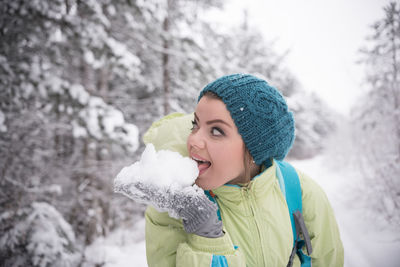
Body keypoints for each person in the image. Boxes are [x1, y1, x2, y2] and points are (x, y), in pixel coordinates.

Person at [142, 74, 344, 266]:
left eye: (216, 131)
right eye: (195, 125)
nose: (193, 139)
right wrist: (207, 238)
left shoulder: (301, 193)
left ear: (255, 147)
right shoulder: (174, 207)